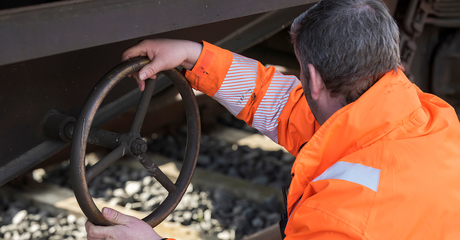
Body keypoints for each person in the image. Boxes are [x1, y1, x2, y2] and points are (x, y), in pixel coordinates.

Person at [86, 0, 460, 239]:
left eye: (299, 70)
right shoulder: (428, 119)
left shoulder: (337, 220)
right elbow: (286, 106)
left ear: (312, 78)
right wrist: (192, 56)